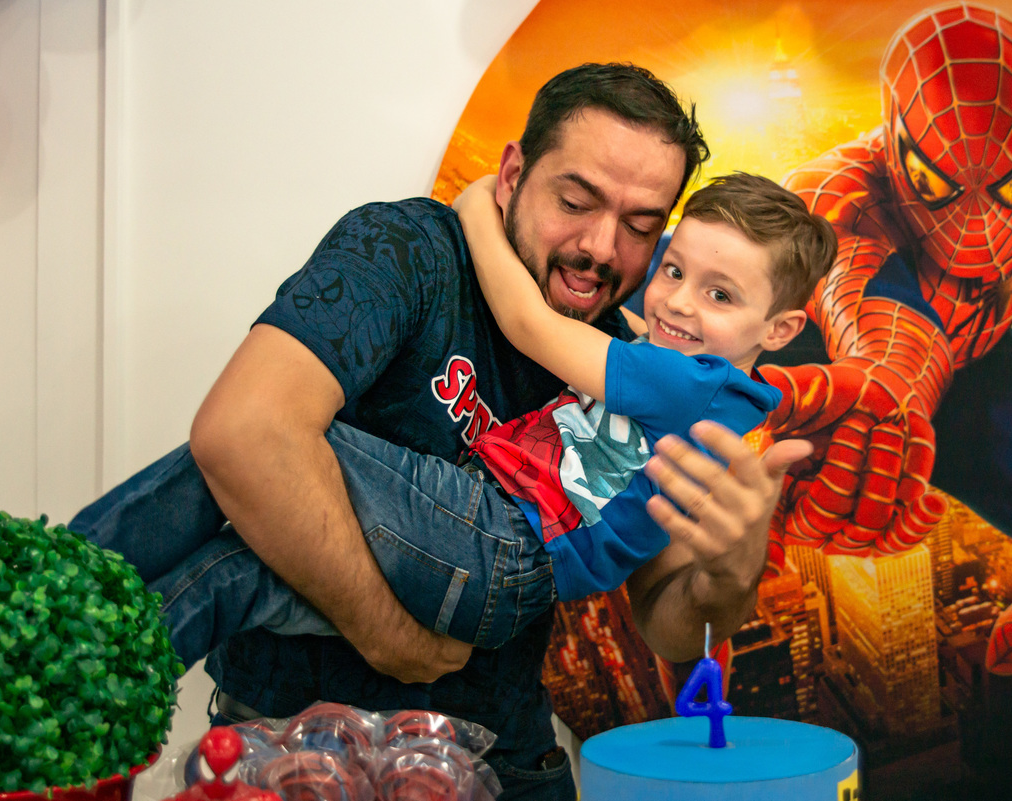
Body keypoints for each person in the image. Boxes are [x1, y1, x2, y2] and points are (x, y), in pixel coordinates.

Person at [71, 63, 812, 800]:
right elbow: (245, 433)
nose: (600, 246)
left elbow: (668, 624)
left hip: (503, 756)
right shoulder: (407, 254)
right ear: (515, 172)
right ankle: (62, 662)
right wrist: (391, 633)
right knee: (231, 565)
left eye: (642, 228)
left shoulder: (645, 361)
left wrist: (730, 569)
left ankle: (53, 595)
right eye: (576, 201)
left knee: (298, 457)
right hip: (289, 747)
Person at [116, 171, 835, 670]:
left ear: (779, 329)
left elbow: (527, 324)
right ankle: (99, 678)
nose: (678, 303)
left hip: (503, 540)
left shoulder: (688, 382)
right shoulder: (701, 387)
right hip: (499, 567)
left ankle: (65, 583)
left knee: (274, 438)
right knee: (234, 569)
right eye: (674, 271)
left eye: (720, 294)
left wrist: (472, 210)